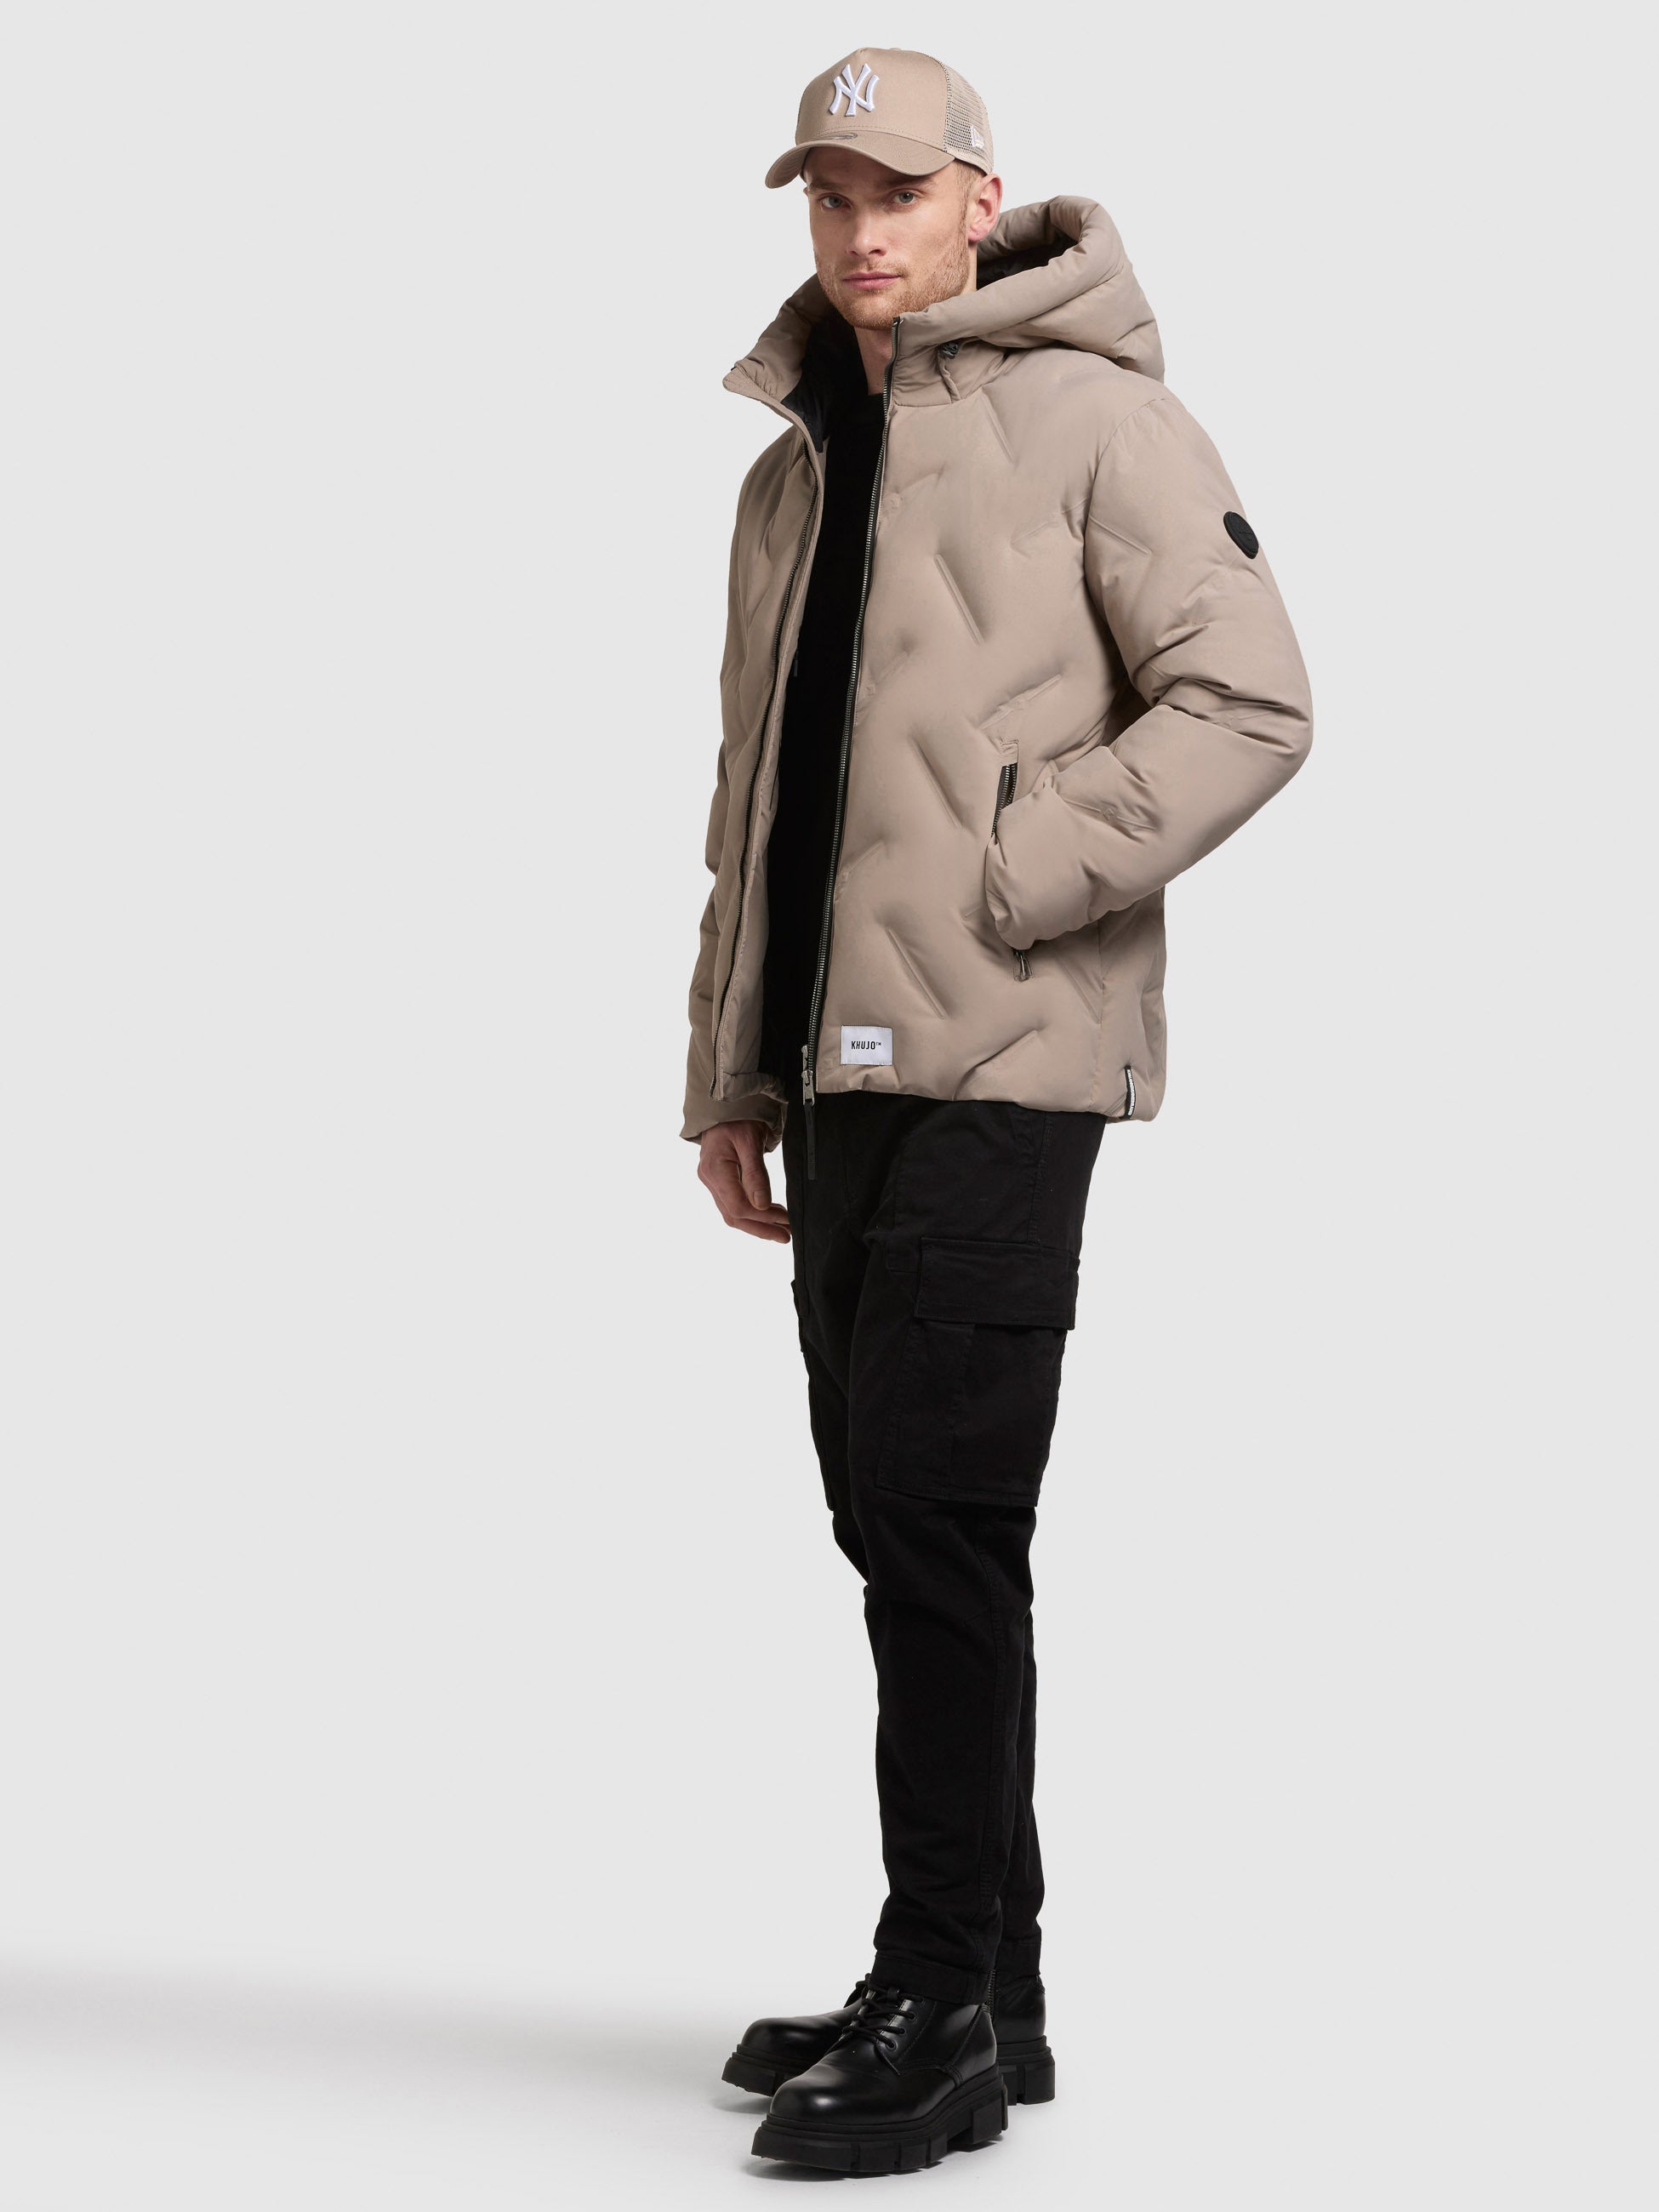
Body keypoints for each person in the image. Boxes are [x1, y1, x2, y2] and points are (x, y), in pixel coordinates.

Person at [682, 46, 1312, 2176]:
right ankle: (985, 1983)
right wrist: (731, 1065)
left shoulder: (1105, 426)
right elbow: (759, 806)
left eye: (898, 193)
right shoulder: (794, 472)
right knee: (889, 1517)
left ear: (981, 197)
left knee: (941, 1514)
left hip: (1005, 1054)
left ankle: (937, 1997)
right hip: (838, 1067)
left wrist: (1018, 871)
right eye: (829, 197)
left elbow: (1253, 698)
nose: (861, 232)